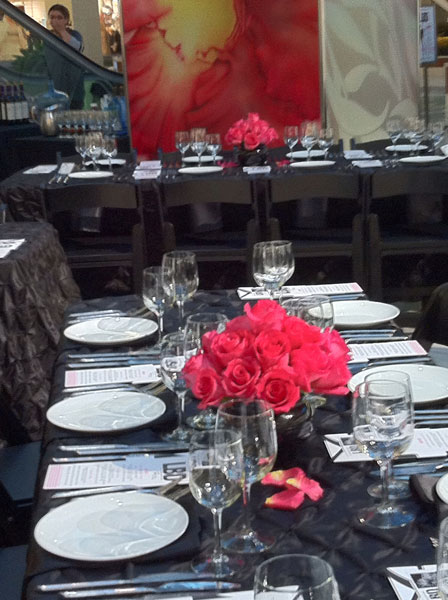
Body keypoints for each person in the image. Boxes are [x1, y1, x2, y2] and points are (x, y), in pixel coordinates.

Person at [45, 4, 84, 109]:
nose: (55, 20)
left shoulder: (75, 34)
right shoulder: (46, 36)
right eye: (52, 17)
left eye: (59, 17)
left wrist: (62, 30)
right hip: (54, 87)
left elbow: (77, 47)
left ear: (66, 20)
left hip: (74, 87)